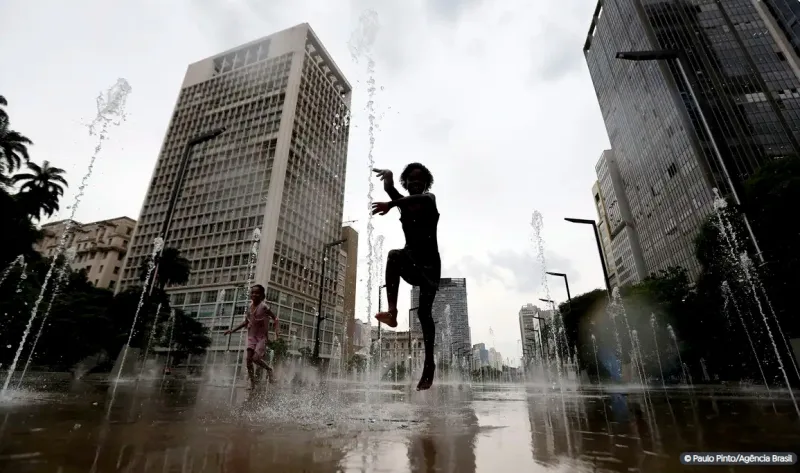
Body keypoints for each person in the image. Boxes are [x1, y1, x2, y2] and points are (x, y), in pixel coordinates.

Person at [372, 163, 440, 391]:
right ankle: (392, 313)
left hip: (429, 266)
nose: (416, 184)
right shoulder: (405, 203)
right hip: (411, 260)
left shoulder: (429, 199)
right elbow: (392, 191)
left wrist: (392, 203)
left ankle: (429, 364)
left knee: (424, 312)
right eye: (411, 180)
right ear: (406, 182)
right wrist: (389, 178)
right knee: (393, 256)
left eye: (420, 180)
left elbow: (413, 200)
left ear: (426, 183)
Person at [224, 284, 279, 389]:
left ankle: (269, 369)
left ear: (262, 295)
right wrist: (232, 330)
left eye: (257, 293)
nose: (254, 294)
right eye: (252, 292)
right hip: (251, 336)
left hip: (261, 337)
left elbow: (274, 317)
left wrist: (276, 330)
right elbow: (246, 322)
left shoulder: (264, 307)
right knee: (248, 360)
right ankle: (252, 383)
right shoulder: (249, 307)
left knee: (255, 358)